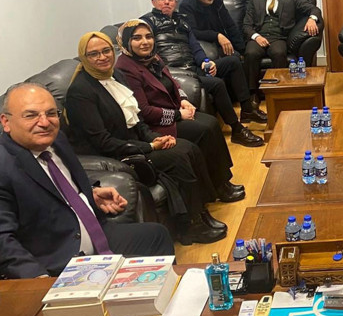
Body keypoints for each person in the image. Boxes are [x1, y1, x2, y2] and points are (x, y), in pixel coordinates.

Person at [64, 32, 227, 245]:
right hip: (115, 154)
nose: (102, 57)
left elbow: (138, 120)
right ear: (84, 58)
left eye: (106, 51)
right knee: (179, 156)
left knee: (188, 148)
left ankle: (201, 212)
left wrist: (156, 138)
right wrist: (149, 146)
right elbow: (102, 142)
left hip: (137, 143)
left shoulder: (115, 76)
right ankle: (189, 227)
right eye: (94, 54)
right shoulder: (80, 92)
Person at [0, 83, 175, 279]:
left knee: (157, 236)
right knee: (147, 272)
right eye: (31, 115)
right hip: (59, 258)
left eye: (51, 113)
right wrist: (39, 280)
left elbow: (58, 181)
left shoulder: (56, 140)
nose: (44, 122)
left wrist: (90, 191)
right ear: (6, 122)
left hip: (95, 233)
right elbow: (3, 239)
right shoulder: (4, 166)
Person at [114, 19, 245, 203]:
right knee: (203, 131)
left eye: (148, 36)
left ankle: (223, 180)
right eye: (137, 38)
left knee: (211, 123)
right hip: (156, 125)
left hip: (174, 110)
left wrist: (183, 100)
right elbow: (143, 111)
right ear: (126, 41)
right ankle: (216, 188)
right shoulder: (125, 68)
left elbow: (173, 82)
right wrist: (177, 115)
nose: (145, 42)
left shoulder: (153, 57)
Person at [142, 0, 263, 147]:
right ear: (153, 2)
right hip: (175, 73)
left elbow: (195, 46)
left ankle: (247, 109)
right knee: (217, 83)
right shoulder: (147, 23)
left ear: (175, 3)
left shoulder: (182, 21)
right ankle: (237, 130)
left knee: (233, 61)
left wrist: (206, 61)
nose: (166, 2)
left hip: (193, 67)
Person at [178, 0, 268, 122]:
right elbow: (192, 32)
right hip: (205, 48)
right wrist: (217, 35)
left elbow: (230, 25)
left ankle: (247, 108)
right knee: (233, 59)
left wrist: (242, 49)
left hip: (221, 44)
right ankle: (246, 109)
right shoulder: (186, 6)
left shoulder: (217, 1)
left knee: (239, 57)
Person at [242, 0, 322, 95]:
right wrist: (256, 37)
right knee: (251, 54)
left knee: (279, 53)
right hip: (258, 36)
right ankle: (253, 94)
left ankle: (278, 92)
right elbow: (246, 24)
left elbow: (313, 9)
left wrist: (312, 19)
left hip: (279, 37)